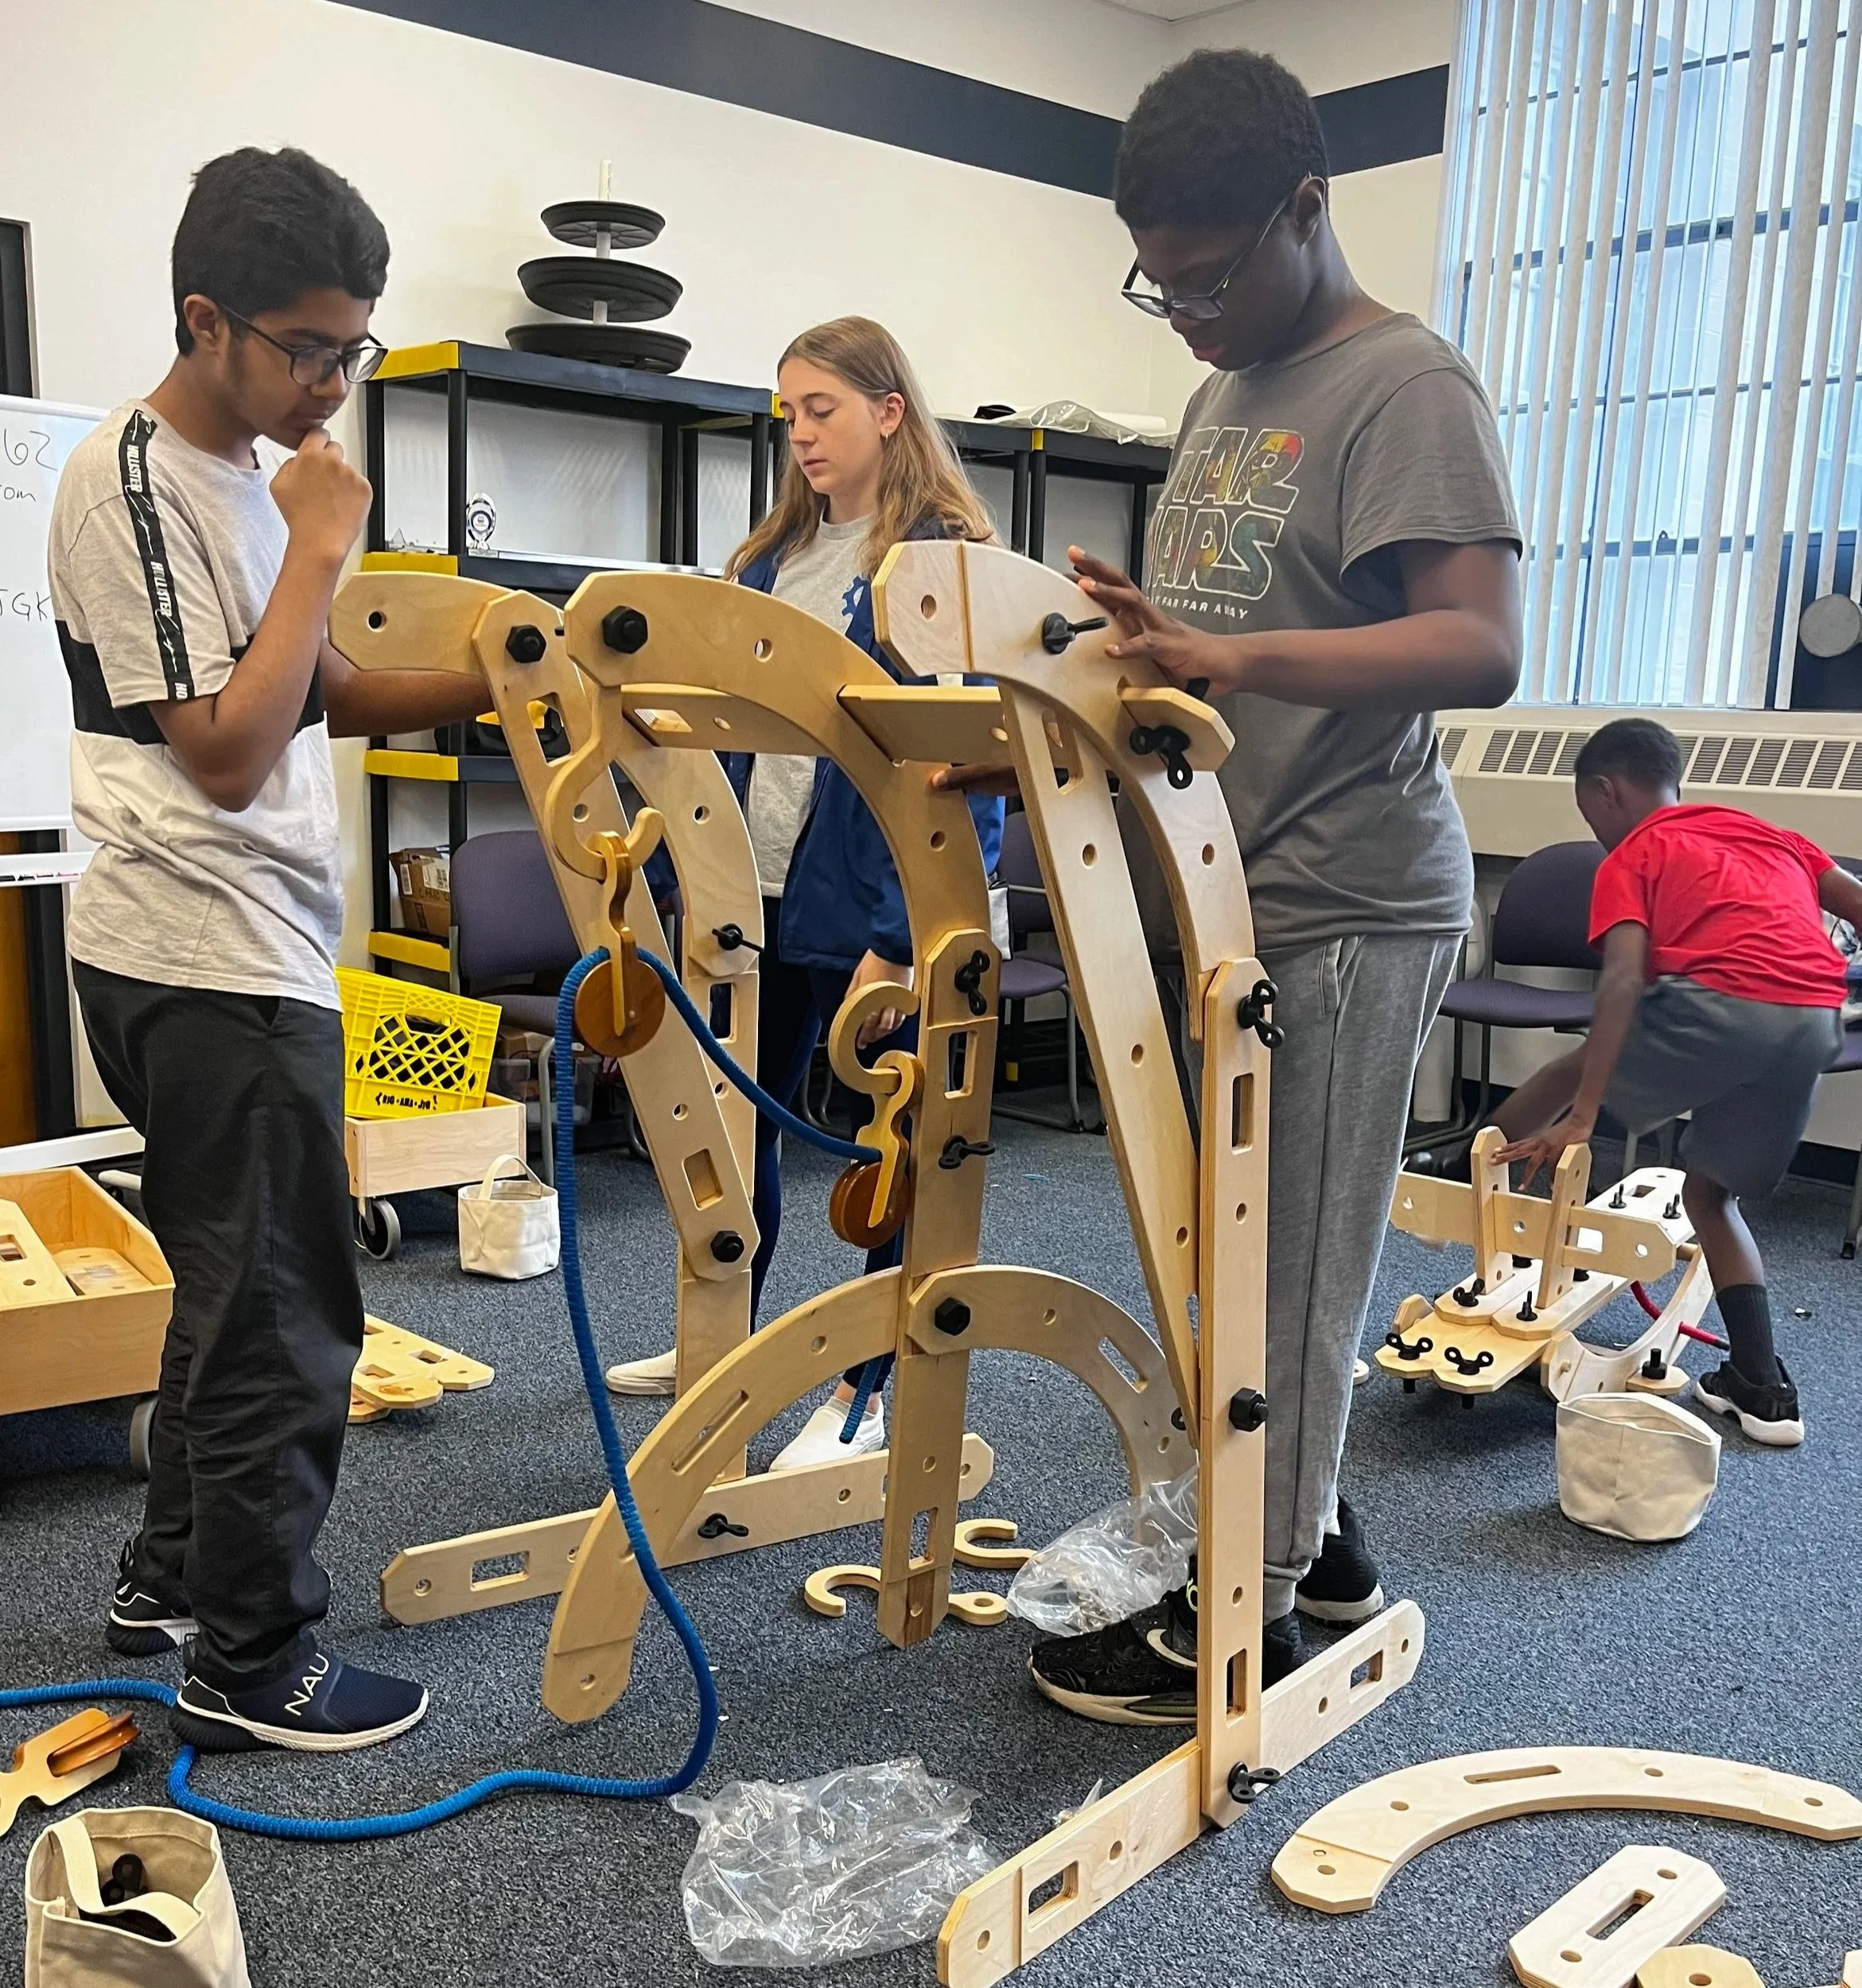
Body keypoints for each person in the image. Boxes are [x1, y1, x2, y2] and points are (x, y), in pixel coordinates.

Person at [940, 47, 1523, 1717]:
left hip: (1344, 901)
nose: (1180, 312)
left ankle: (1243, 1617)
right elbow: (1190, 685)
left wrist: (1232, 647)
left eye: (1204, 273)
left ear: (1303, 207)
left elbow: (1477, 645)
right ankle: (1318, 1545)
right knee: (1225, 1259)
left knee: (1290, 1276)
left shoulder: (1404, 385)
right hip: (1224, 893)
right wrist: (1064, 733)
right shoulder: (1216, 395)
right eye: (1154, 278)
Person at [55, 147, 493, 1753]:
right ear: (205, 320)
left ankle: (166, 1581)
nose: (330, 384)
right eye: (307, 349)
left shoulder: (249, 470)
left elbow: (305, 690)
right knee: (287, 1316)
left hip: (248, 942)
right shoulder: (131, 482)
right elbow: (227, 752)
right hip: (201, 950)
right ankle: (253, 1664)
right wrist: (323, 537)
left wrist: (506, 673)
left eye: (350, 350)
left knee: (226, 1295)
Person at [603, 316, 1004, 1470]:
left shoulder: (939, 563)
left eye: (821, 409)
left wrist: (899, 940)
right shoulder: (769, 561)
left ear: (889, 410)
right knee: (736, 1129)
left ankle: (869, 1391)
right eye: (788, 414)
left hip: (887, 911)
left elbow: (956, 772)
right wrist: (687, 877)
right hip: (759, 893)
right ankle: (723, 1343)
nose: (801, 434)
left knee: (902, 1147)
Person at [1491, 718, 1852, 1446]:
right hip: (1813, 1019)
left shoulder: (1636, 852)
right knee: (1709, 1194)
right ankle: (1761, 1389)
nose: (1597, 834)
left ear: (1607, 789)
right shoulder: (1766, 832)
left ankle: (1470, 1178)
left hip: (1720, 1006)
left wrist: (1586, 1115)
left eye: (1592, 817)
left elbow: (1622, 980)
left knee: (1569, 1070)